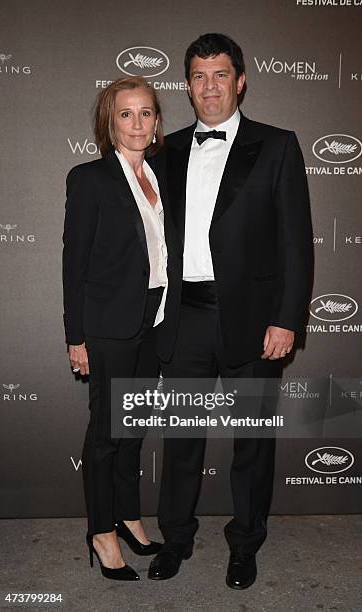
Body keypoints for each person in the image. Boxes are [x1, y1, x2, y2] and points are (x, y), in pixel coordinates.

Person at [148, 33, 314, 588]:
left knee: (251, 441)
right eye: (198, 75)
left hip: (253, 319)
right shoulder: (165, 150)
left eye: (220, 74)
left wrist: (288, 318)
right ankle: (175, 537)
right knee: (181, 438)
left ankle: (245, 543)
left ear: (240, 80)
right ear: (187, 86)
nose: (210, 86)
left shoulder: (278, 145)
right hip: (186, 316)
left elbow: (296, 242)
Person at [62, 76, 169, 581]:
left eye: (145, 112)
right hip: (108, 324)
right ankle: (101, 529)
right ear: (110, 121)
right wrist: (75, 335)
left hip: (156, 318)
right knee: (107, 431)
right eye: (125, 114)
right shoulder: (89, 178)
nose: (137, 123)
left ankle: (128, 513)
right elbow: (73, 262)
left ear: (157, 120)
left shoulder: (159, 176)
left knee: (132, 429)